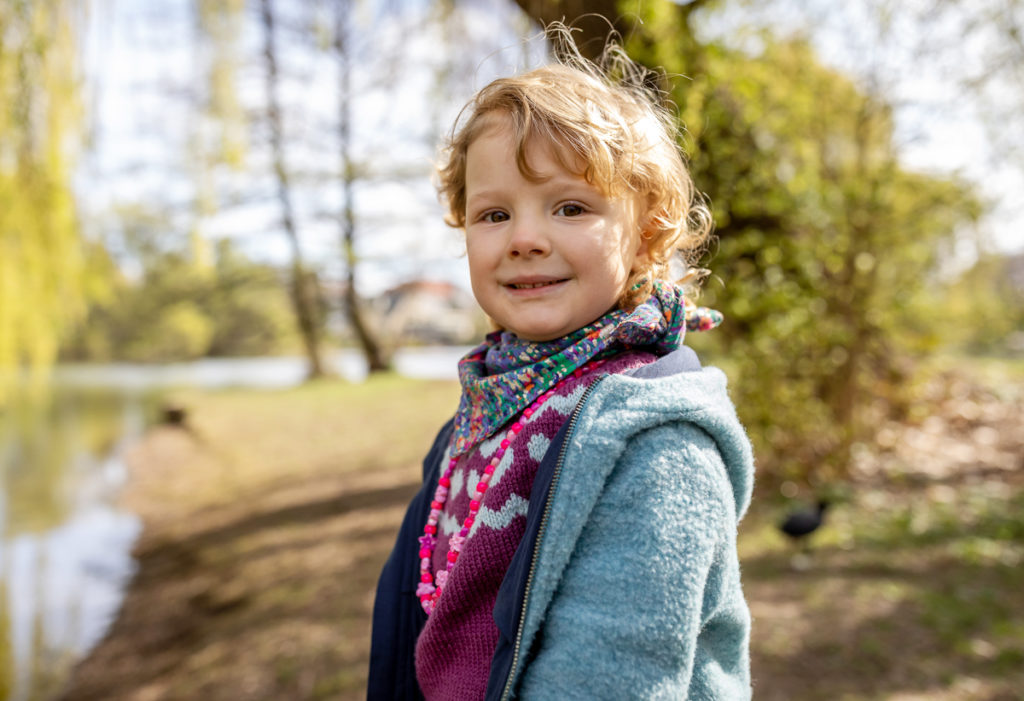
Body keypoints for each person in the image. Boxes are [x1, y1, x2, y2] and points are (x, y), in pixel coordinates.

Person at [368, 27, 754, 701]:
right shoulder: (490, 404)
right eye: (493, 214)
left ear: (648, 232)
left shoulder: (658, 446)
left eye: (570, 207)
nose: (524, 238)